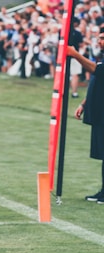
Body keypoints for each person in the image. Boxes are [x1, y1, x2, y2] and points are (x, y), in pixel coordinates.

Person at [68, 28, 104, 204]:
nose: (99, 41)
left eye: (103, 38)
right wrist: (84, 103)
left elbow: (97, 71)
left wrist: (75, 55)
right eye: (99, 38)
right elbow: (98, 82)